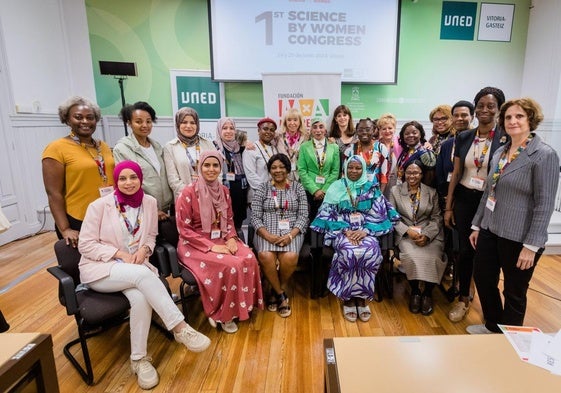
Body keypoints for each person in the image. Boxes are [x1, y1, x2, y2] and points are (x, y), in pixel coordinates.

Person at [78, 161, 210, 390]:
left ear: (141, 179)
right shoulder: (99, 206)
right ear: (116, 181)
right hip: (102, 269)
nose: (128, 183)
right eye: (122, 178)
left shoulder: (149, 202)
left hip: (135, 266)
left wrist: (144, 250)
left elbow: (150, 236)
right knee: (142, 276)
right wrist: (119, 253)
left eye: (133, 178)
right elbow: (85, 245)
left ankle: (138, 359)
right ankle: (180, 328)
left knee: (140, 298)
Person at [467, 98, 559, 334]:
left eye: (519, 116)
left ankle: (511, 340)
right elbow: (489, 191)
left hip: (520, 237)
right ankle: (493, 327)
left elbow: (545, 203)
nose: (513, 121)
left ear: (531, 120)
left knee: (514, 291)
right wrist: (477, 225)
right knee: (484, 278)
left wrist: (532, 245)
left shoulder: (543, 155)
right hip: (490, 229)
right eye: (508, 117)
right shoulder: (500, 151)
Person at [176, 151, 263, 333]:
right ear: (200, 167)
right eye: (207, 165)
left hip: (222, 237)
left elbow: (229, 220)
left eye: (215, 165)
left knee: (249, 257)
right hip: (194, 244)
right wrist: (212, 246)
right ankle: (225, 314)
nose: (211, 169)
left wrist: (231, 237)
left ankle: (242, 305)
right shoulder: (188, 192)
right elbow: (184, 230)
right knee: (232, 264)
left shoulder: (224, 191)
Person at [444, 87, 507, 323]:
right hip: (464, 199)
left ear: (499, 109)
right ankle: (463, 299)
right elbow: (457, 172)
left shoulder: (505, 138)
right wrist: (449, 207)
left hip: (491, 202)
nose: (484, 110)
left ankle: (488, 303)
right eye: (480, 105)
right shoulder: (464, 137)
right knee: (464, 253)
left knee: (487, 254)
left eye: (490, 106)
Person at [311, 155, 399, 322]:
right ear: (345, 169)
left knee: (370, 251)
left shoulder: (371, 188)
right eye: (350, 167)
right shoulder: (335, 187)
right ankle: (349, 298)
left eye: (358, 168)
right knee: (349, 252)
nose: (354, 171)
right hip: (342, 232)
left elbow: (379, 214)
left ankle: (363, 297)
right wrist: (345, 230)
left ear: (363, 170)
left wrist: (365, 231)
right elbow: (325, 213)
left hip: (367, 231)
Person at [42, 96, 115, 247]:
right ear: (67, 120)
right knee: (84, 267)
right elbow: (53, 193)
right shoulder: (56, 148)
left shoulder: (103, 146)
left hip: (108, 216)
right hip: (78, 219)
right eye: (78, 117)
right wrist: (65, 228)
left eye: (90, 117)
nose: (85, 121)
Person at [251, 154, 309, 317]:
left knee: (290, 257)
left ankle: (276, 290)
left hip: (292, 230)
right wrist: (267, 236)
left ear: (288, 169)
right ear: (269, 170)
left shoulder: (298, 188)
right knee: (265, 255)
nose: (278, 170)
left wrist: (291, 235)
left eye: (282, 167)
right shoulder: (262, 188)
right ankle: (281, 296)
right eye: (274, 167)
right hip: (266, 230)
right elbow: (255, 216)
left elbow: (304, 215)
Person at [390, 160, 445, 316]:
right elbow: (392, 216)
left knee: (433, 257)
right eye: (409, 172)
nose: (412, 176)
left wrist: (427, 235)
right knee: (411, 256)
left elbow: (437, 218)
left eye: (415, 173)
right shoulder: (395, 190)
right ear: (403, 173)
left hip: (429, 234)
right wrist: (407, 231)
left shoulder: (431, 192)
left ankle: (427, 293)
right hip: (406, 234)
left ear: (422, 174)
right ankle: (415, 291)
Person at [113, 101, 173, 220]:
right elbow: (128, 184)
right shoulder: (122, 149)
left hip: (165, 210)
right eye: (139, 121)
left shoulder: (157, 147)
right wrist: (151, 208)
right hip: (142, 210)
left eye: (148, 121)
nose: (144, 125)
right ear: (129, 123)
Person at [163, 107, 216, 199]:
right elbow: (173, 180)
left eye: (192, 122)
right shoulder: (170, 147)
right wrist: (192, 193)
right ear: (178, 124)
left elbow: (217, 171)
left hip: (209, 196)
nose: (188, 126)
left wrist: (210, 191)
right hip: (185, 198)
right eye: (184, 122)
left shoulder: (208, 144)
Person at [297, 118, 340, 222]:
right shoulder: (304, 147)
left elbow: (335, 171)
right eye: (314, 127)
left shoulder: (334, 147)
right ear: (311, 130)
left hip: (328, 190)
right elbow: (302, 170)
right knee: (309, 219)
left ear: (325, 130)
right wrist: (315, 190)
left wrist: (324, 190)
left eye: (321, 127)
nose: (318, 130)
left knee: (326, 219)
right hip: (309, 191)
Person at [214, 117, 248, 232]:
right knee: (224, 226)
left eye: (231, 128)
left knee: (237, 226)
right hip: (223, 195)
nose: (228, 131)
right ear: (219, 130)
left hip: (241, 195)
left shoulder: (241, 148)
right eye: (224, 128)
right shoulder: (214, 148)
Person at [436, 100, 475, 202]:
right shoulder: (447, 144)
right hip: (447, 195)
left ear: (472, 117)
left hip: (470, 197)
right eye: (456, 115)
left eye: (464, 115)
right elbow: (440, 174)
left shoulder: (478, 142)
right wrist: (445, 195)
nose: (459, 119)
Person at [344, 118, 389, 193]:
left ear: (374, 130)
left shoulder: (381, 148)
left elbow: (384, 175)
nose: (364, 132)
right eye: (360, 130)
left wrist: (380, 195)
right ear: (357, 131)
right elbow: (344, 174)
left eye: (368, 129)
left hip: (375, 192)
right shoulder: (350, 150)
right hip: (354, 192)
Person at [242, 117, 279, 203]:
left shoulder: (274, 149)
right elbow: (251, 175)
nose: (268, 132)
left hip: (274, 195)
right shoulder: (251, 149)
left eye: (272, 130)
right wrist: (267, 191)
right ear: (258, 130)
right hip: (258, 195)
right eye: (265, 129)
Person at [396, 121, 437, 187]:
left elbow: (430, 178)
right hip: (403, 189)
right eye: (407, 133)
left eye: (414, 133)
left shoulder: (426, 153)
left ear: (420, 134)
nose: (410, 135)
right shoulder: (405, 152)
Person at [275, 108, 308, 182]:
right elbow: (265, 142)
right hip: (283, 176)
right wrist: (248, 143)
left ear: (300, 122)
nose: (292, 123)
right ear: (285, 122)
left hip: (301, 177)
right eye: (289, 120)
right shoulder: (278, 137)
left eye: (295, 120)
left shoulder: (306, 137)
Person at [377, 113, 402, 198]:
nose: (387, 131)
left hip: (397, 181)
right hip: (380, 182)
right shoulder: (376, 145)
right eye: (384, 129)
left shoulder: (401, 142)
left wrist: (426, 143)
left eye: (390, 128)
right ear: (380, 130)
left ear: (394, 129)